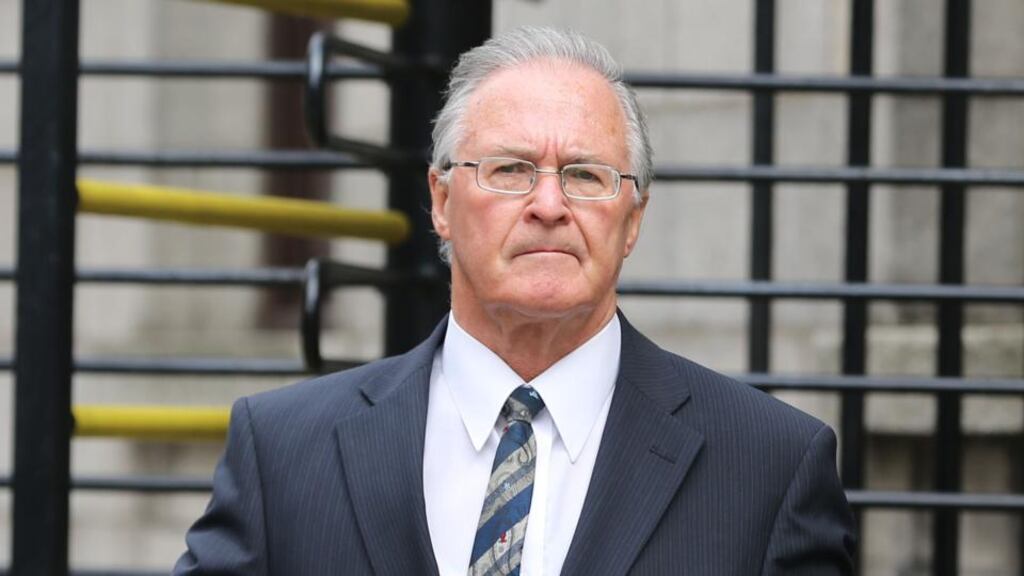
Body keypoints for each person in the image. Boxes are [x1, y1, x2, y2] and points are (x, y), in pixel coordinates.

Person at [175, 26, 855, 575]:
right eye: (511, 169)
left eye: (585, 174)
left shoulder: (769, 468)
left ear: (633, 219)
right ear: (441, 201)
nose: (549, 205)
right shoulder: (284, 451)